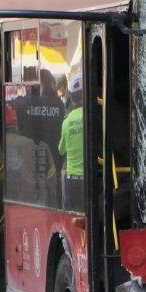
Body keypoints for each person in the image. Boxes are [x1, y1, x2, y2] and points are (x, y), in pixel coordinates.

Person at [58, 75, 85, 208]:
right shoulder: (90, 115)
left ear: (72, 98)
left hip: (72, 179)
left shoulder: (67, 121)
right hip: (88, 178)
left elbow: (61, 149)